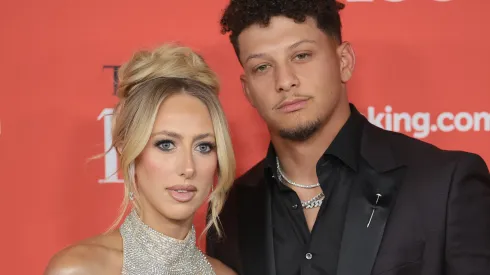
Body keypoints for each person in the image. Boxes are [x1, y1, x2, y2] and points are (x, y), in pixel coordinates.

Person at [205, 0, 490, 274]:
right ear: (247, 90)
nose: (284, 81)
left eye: (301, 56)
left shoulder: (444, 185)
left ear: (344, 61)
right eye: (262, 67)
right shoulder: (228, 213)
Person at [45, 44, 237, 275]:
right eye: (165, 144)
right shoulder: (80, 269)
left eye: (203, 146)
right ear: (128, 150)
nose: (188, 167)